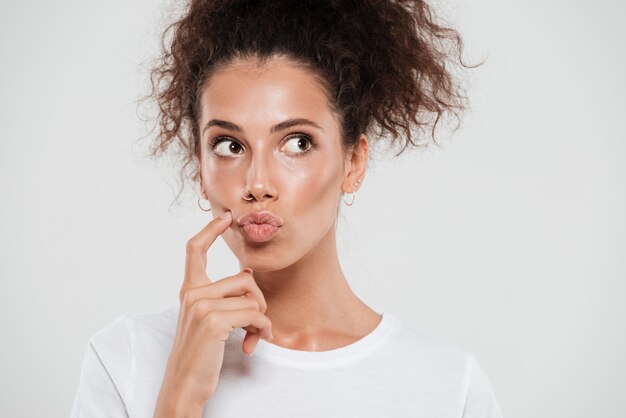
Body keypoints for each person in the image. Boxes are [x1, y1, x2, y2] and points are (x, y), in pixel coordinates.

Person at [70, 0, 503, 417]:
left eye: (297, 143)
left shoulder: (447, 386)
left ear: (354, 162)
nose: (257, 184)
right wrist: (179, 401)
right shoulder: (125, 358)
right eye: (229, 145)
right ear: (199, 168)